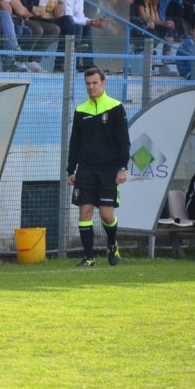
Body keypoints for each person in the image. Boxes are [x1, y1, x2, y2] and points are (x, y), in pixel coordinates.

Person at [67, 68, 130, 267]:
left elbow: (123, 140)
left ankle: (112, 244)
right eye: (88, 84)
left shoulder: (116, 107)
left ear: (103, 83)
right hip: (85, 169)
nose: (91, 87)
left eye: (94, 83)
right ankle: (89, 258)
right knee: (84, 212)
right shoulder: (81, 111)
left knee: (106, 215)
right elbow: (74, 143)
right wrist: (71, 170)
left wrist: (122, 167)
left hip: (109, 170)